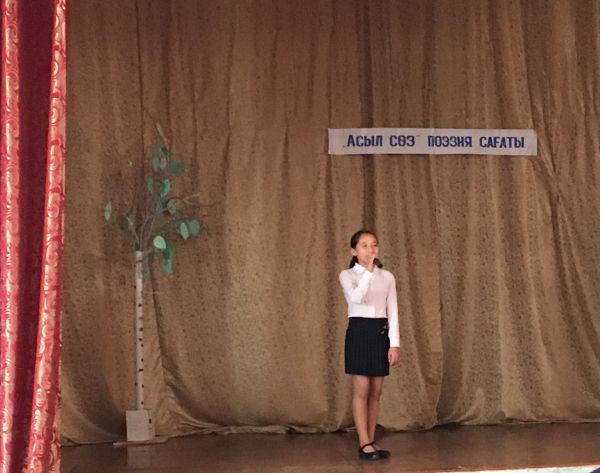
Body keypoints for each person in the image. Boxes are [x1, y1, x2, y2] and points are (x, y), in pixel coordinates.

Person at [339, 229, 400, 461]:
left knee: (376, 391)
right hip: (359, 332)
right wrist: (368, 272)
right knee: (362, 389)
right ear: (354, 251)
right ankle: (363, 443)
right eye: (364, 245)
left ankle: (371, 441)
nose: (370, 249)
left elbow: (393, 311)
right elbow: (357, 298)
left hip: (380, 333)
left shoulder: (388, 277)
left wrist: (394, 343)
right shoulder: (347, 275)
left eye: (374, 244)